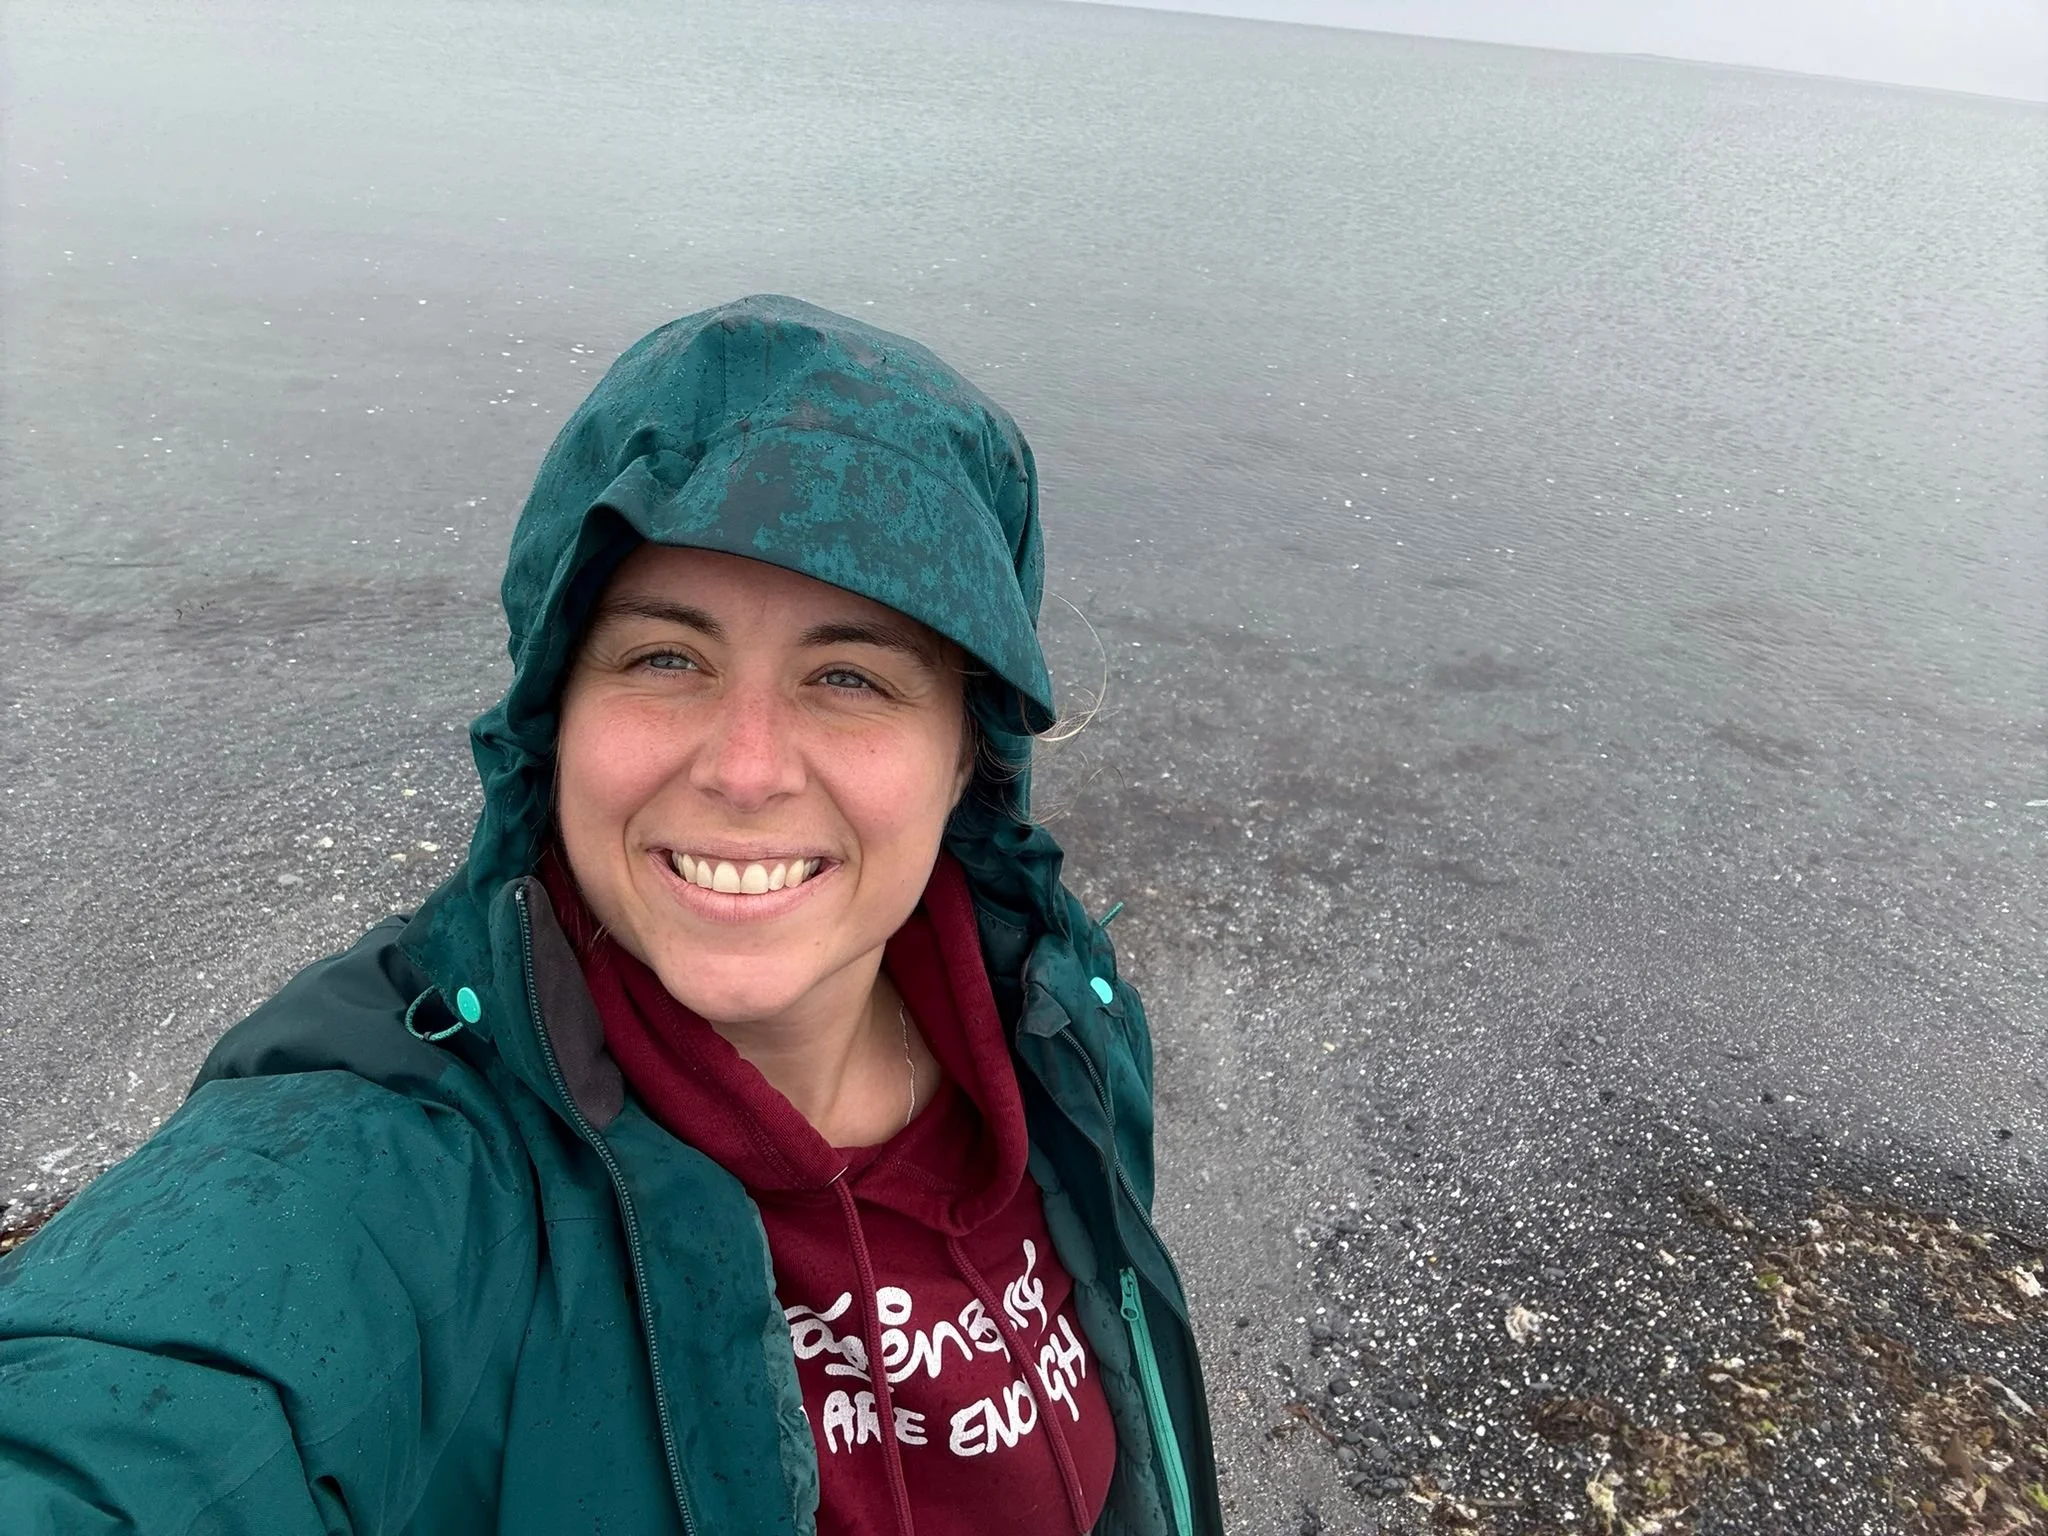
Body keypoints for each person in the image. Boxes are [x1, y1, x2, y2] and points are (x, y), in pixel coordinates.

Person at [0, 294, 1223, 1536]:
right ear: (552, 715)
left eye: (847, 675)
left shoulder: (1057, 1031)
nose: (746, 769)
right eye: (663, 659)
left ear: (969, 754)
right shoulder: (398, 1168)